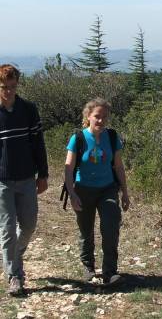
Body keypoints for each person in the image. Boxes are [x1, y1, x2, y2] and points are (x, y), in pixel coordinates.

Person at [64, 98, 130, 285]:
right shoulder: (78, 138)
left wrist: (125, 192)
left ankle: (110, 271)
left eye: (104, 117)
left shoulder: (112, 137)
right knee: (86, 231)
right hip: (83, 189)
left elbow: (118, 166)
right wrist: (72, 193)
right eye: (97, 116)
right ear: (88, 116)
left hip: (107, 189)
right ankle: (88, 267)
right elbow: (68, 168)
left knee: (110, 227)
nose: (100, 121)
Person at [0, 64, 48, 296]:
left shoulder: (28, 109)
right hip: (2, 182)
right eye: (3, 87)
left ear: (17, 85)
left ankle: (15, 255)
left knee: (28, 225)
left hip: (27, 177)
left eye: (12, 86)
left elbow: (38, 144)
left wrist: (44, 174)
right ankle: (14, 276)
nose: (8, 91)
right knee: (7, 229)